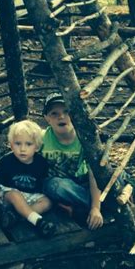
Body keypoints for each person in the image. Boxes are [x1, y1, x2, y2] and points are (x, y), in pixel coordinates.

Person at [41, 92, 104, 230]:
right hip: (60, 187)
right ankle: (107, 201)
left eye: (66, 112)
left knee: (114, 177)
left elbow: (94, 174)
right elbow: (19, 154)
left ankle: (83, 208)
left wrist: (95, 208)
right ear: (47, 118)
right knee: (55, 186)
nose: (61, 117)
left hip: (81, 183)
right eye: (54, 113)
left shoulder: (84, 140)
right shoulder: (42, 137)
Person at [0, 120, 56, 237]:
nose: (22, 149)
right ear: (11, 145)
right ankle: (38, 221)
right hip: (9, 193)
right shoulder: (7, 161)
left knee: (47, 202)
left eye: (28, 144)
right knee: (15, 195)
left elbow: (43, 181)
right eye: (18, 144)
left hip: (30, 195)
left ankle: (16, 216)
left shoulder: (41, 163)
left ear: (36, 147)